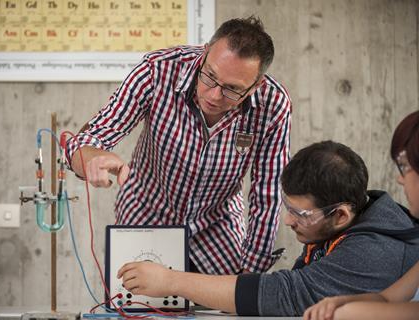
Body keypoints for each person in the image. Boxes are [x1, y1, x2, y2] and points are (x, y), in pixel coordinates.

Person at [66, 16, 292, 274]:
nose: (214, 95)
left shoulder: (273, 104)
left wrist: (250, 274)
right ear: (205, 52)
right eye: (210, 77)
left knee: (229, 308)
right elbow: (87, 139)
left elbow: (268, 194)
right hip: (145, 213)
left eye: (232, 89)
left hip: (217, 225)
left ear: (256, 86)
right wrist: (92, 157)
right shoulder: (157, 70)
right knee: (138, 309)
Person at [117, 140, 419, 316]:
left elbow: (286, 295)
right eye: (286, 208)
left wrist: (171, 281)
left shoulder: (374, 251)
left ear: (340, 215)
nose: (288, 221)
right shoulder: (342, 225)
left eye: (299, 213)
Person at [303, 111, 419, 320]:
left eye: (405, 166)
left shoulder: (377, 246)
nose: (400, 179)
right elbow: (387, 299)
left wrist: (347, 310)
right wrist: (341, 301)